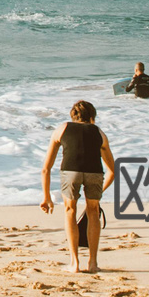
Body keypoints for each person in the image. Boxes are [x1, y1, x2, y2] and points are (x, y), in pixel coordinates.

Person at [40, 99, 116, 273]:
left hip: (70, 172)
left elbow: (46, 169)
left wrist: (46, 197)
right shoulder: (99, 133)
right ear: (92, 117)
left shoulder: (62, 129)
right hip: (94, 173)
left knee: (70, 211)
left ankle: (74, 263)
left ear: (73, 116)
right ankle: (93, 263)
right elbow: (112, 171)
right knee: (93, 212)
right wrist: (99, 193)